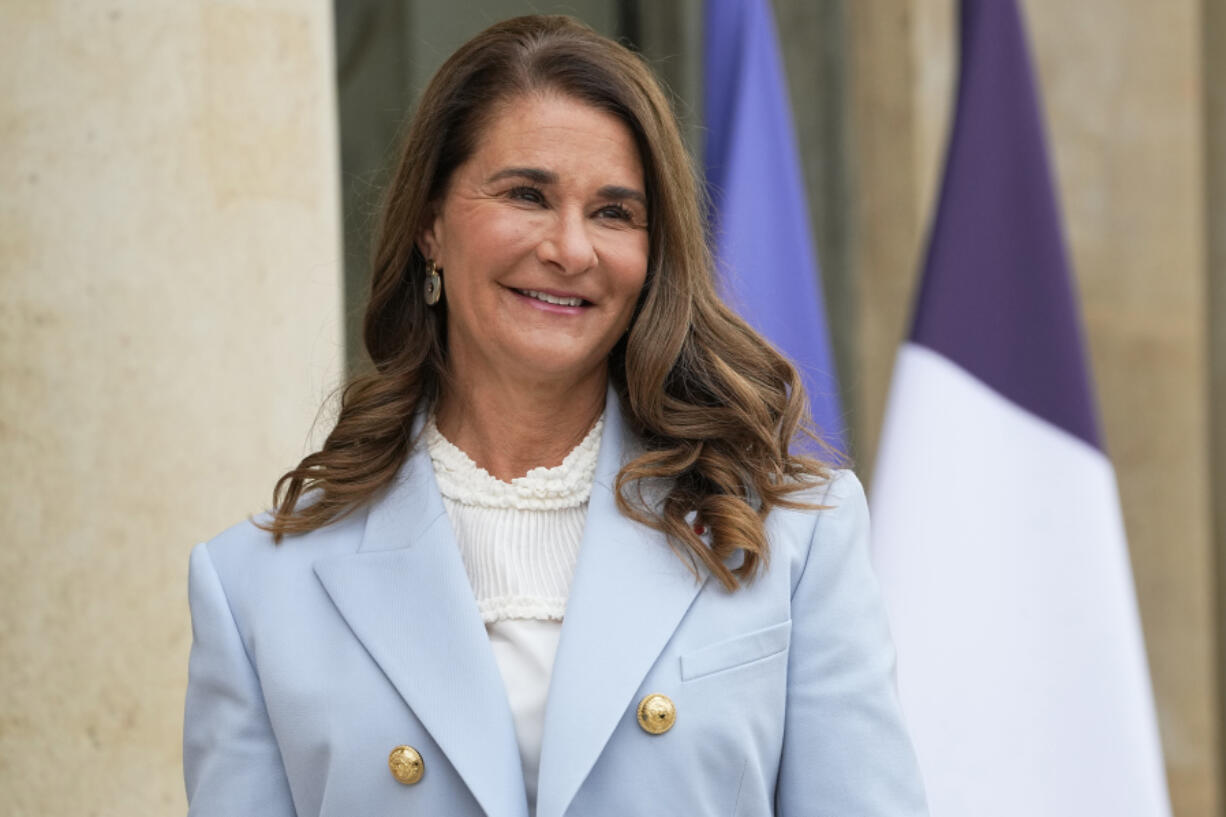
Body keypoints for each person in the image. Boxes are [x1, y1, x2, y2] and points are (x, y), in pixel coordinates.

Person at [183, 14, 927, 817]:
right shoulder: (257, 588)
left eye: (614, 213)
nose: (571, 249)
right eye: (526, 195)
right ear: (431, 224)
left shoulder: (793, 537)